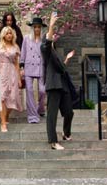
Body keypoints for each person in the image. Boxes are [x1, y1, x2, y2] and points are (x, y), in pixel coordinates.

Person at [42, 11, 77, 150]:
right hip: (53, 86)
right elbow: (47, 42)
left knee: (69, 112)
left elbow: (62, 68)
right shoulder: (45, 50)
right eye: (49, 37)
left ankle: (66, 133)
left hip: (63, 85)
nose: (51, 38)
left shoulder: (55, 53)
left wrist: (67, 59)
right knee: (52, 115)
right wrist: (51, 26)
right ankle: (53, 141)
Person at [0, 26, 24, 132]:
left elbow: (16, 64)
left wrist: (19, 78)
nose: (9, 35)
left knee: (13, 97)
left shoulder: (16, 47)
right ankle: (3, 123)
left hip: (11, 72)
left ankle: (4, 115)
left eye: (10, 33)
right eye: (7, 33)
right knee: (2, 97)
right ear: (3, 35)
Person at [21, 16, 47, 123]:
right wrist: (22, 67)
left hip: (40, 66)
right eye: (35, 27)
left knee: (42, 90)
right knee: (30, 91)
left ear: (41, 28)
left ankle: (40, 108)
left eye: (39, 27)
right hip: (28, 67)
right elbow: (23, 52)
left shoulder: (44, 39)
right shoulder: (27, 38)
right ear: (32, 28)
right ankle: (32, 116)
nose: (37, 29)